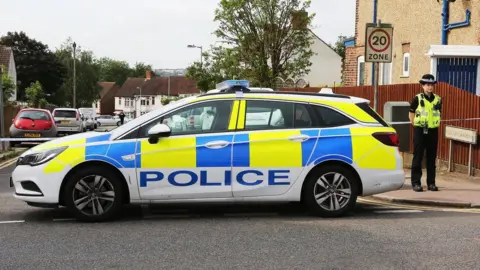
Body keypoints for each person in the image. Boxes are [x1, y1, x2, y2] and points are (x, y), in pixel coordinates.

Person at [409, 74, 442, 192]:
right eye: (427, 85)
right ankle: (416, 183)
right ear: (422, 86)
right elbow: (411, 114)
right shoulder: (417, 98)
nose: (430, 87)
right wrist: (415, 125)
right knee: (418, 156)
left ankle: (431, 183)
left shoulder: (438, 99)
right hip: (420, 130)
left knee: (431, 158)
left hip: (433, 131)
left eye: (432, 85)